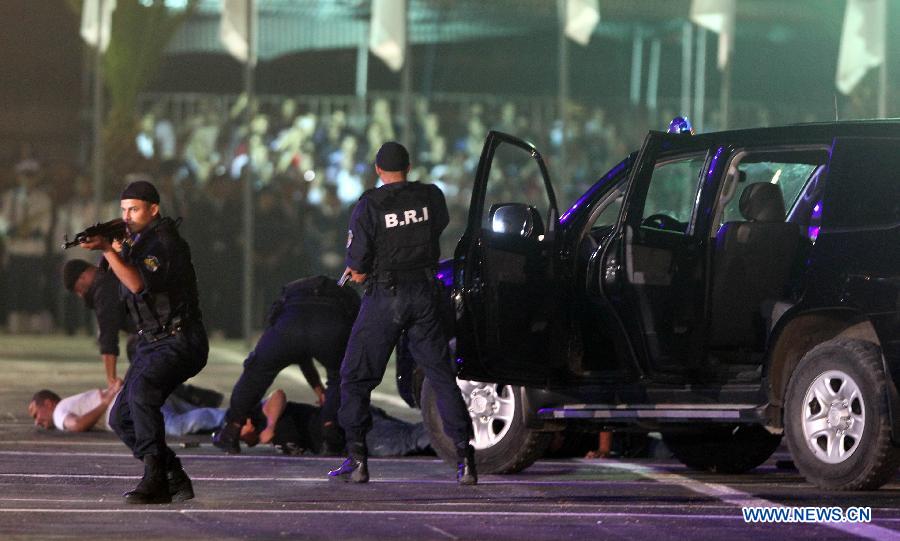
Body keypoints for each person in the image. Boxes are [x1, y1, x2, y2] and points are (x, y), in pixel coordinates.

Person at [329, 141, 476, 485]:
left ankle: (357, 458)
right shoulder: (431, 196)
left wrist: (359, 272)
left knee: (355, 375)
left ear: (378, 170)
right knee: (440, 376)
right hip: (425, 293)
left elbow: (360, 267)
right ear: (409, 167)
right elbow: (435, 228)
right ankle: (465, 458)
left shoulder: (370, 205)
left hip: (386, 296)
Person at [78, 179, 207, 505]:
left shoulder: (164, 243)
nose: (127, 216)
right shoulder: (136, 242)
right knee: (121, 417)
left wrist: (110, 248)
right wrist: (115, 251)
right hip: (152, 342)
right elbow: (115, 284)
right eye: (123, 210)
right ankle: (171, 474)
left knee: (142, 392)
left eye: (134, 209)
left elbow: (136, 284)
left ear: (153, 209)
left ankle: (155, 481)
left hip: (179, 339)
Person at [212, 275, 360, 455]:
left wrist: (317, 388)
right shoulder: (348, 297)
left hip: (291, 319)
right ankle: (330, 433)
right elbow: (313, 346)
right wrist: (321, 389)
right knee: (340, 377)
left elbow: (297, 346)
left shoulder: (289, 294)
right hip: (330, 322)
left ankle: (232, 430)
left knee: (256, 371)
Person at [62, 258, 222, 407]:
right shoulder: (112, 275)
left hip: (159, 336)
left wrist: (111, 379)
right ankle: (197, 399)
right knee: (151, 379)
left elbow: (108, 338)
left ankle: (194, 409)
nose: (80, 294)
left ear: (82, 277)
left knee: (140, 389)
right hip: (165, 332)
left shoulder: (102, 289)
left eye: (77, 289)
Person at [239, 389, 431, 458]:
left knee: (407, 441)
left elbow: (278, 395)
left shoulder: (263, 415)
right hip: (350, 428)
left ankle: (455, 429)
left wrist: (270, 426)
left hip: (348, 425)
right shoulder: (268, 440)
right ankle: (453, 434)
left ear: (248, 421)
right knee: (419, 443)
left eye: (238, 430)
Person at [28, 384, 224, 437]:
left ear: (48, 404)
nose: (37, 422)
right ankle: (245, 414)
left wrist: (104, 403)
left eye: (36, 414)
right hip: (138, 392)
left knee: (177, 426)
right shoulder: (69, 404)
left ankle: (237, 416)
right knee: (208, 417)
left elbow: (76, 425)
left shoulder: (59, 411)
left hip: (133, 402)